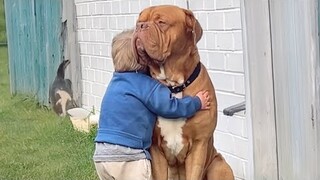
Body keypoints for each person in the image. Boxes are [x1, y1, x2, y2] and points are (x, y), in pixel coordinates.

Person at [93, 29, 211, 180]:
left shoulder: (115, 82)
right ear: (144, 59)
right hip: (130, 156)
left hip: (102, 155)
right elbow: (170, 107)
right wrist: (196, 102)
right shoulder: (146, 85)